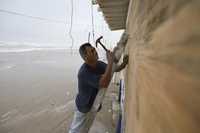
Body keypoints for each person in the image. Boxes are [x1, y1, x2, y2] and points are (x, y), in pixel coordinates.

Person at [68, 43, 128, 133]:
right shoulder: (83, 72)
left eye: (94, 49)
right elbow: (104, 83)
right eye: (92, 51)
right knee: (76, 130)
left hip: (93, 105)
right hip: (83, 107)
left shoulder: (98, 64)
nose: (95, 52)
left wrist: (123, 64)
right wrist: (110, 61)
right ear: (85, 57)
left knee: (85, 128)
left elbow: (112, 69)